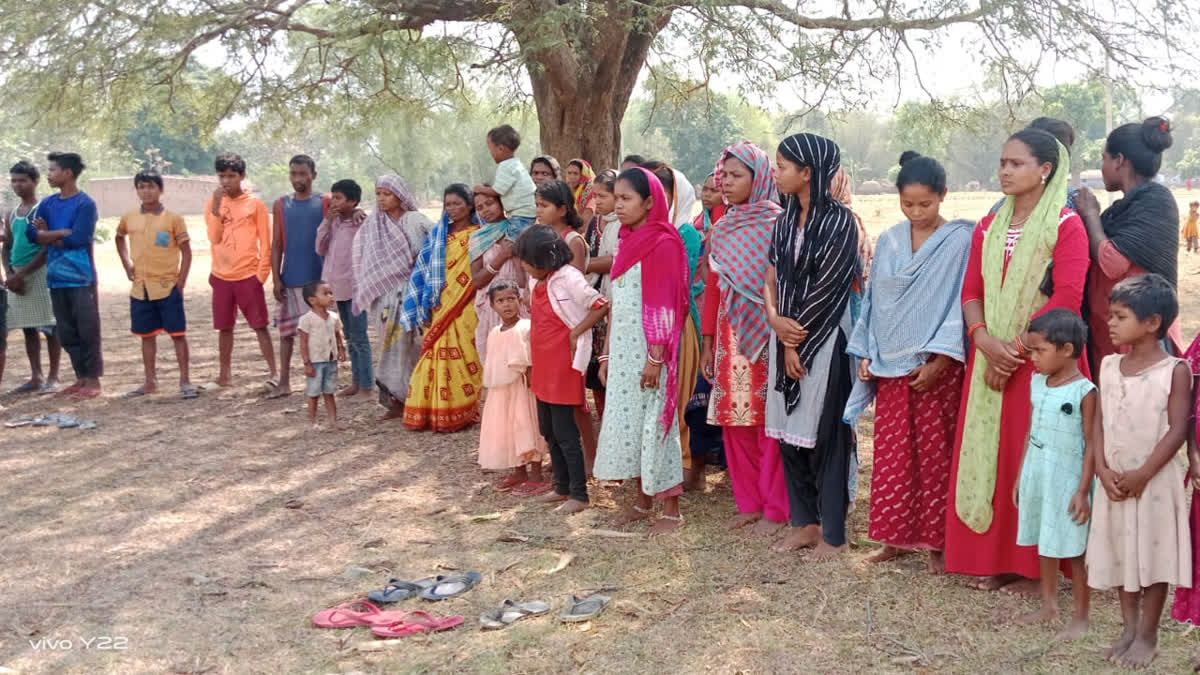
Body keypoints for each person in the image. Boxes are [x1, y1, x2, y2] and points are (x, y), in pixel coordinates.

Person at [945, 128, 1091, 592]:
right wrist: (984, 340)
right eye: (1003, 162)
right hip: (992, 359)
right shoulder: (989, 227)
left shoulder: (1065, 226)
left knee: (1038, 461)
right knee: (995, 460)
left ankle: (1034, 567)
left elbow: (1067, 296)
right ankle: (992, 559)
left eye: (1017, 163)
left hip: (1044, 364)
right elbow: (971, 292)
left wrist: (1019, 349)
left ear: (1045, 169)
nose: (1005, 170)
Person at [845, 152, 972, 573]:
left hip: (938, 366)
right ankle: (894, 540)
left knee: (937, 457)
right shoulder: (892, 240)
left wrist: (940, 358)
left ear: (943, 197)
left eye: (926, 204)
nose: (916, 212)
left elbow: (961, 300)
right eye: (908, 204)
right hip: (891, 365)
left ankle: (939, 544)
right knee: (894, 455)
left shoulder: (959, 241)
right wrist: (868, 351)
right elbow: (877, 303)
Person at [761, 134, 858, 560]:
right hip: (784, 335)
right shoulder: (783, 219)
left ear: (808, 173)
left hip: (824, 338)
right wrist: (774, 322)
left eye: (783, 166)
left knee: (826, 437)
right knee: (789, 437)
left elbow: (828, 289)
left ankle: (834, 534)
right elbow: (770, 275)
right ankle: (805, 523)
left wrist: (792, 338)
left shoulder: (840, 221)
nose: (776, 173)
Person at [1088, 274, 1191, 669]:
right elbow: (1098, 420)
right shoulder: (1110, 366)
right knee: (1121, 553)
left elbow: (1178, 428)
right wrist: (1100, 467)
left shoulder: (1174, 370)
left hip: (1153, 483)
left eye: (1120, 316)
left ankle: (1148, 635)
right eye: (1110, 314)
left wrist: (1144, 473)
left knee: (1153, 556)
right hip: (1114, 480)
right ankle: (1128, 628)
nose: (1110, 322)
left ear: (1151, 323)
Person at [595, 167, 690, 534]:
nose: (617, 206)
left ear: (649, 202)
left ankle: (671, 510)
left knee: (656, 423)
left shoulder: (663, 242)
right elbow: (618, 302)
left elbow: (665, 305)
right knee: (632, 423)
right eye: (615, 198)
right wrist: (606, 355)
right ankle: (641, 500)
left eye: (626, 199)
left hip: (653, 353)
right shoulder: (626, 239)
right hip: (623, 351)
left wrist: (655, 358)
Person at [702, 141, 789, 534]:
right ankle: (749, 502)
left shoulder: (779, 224)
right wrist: (707, 342)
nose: (727, 183)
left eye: (737, 175)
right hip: (730, 334)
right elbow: (714, 288)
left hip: (770, 334)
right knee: (736, 420)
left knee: (770, 421)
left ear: (759, 177)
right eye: (725, 176)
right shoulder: (721, 228)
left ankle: (776, 507)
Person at [515, 225, 608, 514]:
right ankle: (562, 487)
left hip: (564, 364)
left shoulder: (569, 277)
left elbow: (600, 305)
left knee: (565, 431)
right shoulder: (538, 281)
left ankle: (579, 494)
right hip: (542, 362)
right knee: (548, 429)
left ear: (544, 259)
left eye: (528, 262)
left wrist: (576, 332)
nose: (524, 268)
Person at [1075, 116, 1182, 369]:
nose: (1102, 167)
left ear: (1120, 160)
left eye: (1104, 159)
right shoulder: (1122, 209)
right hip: (1111, 330)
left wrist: (1090, 215)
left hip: (1140, 330)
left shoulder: (1156, 201)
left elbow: (1112, 263)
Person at [400, 184, 483, 432]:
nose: (452, 209)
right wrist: (423, 304)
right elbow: (424, 269)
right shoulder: (438, 235)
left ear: (469, 206)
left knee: (467, 352)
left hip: (466, 302)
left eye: (457, 204)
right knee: (434, 353)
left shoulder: (479, 233)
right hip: (440, 303)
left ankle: (464, 410)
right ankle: (430, 411)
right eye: (448, 204)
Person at [352, 175, 431, 420]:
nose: (382, 199)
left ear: (400, 194)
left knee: (415, 345)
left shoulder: (415, 220)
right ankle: (395, 400)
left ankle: (419, 399)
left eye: (387, 193)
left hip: (413, 291)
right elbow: (361, 259)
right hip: (384, 297)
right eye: (378, 194)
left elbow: (435, 247)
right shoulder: (372, 225)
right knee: (390, 345)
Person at [646, 164, 705, 486]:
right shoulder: (646, 232)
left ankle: (679, 468)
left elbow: (680, 285)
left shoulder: (686, 234)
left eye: (663, 193)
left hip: (678, 325)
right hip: (648, 327)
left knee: (679, 396)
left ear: (676, 195)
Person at [27, 152, 102, 398]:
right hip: (56, 278)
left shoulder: (85, 204)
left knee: (87, 329)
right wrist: (58, 233)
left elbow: (78, 238)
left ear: (67, 173)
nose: (48, 175)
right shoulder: (47, 204)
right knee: (67, 332)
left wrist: (47, 234)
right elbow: (31, 233)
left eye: (52, 170)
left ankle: (93, 381)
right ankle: (80, 377)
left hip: (80, 277)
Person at [114, 170, 194, 399]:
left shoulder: (173, 219)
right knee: (146, 335)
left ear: (160, 189)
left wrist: (181, 281)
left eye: (150, 186)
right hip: (141, 287)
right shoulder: (129, 217)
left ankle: (185, 381)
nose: (146, 191)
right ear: (136, 190)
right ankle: (150, 382)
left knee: (178, 334)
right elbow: (119, 238)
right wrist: (127, 264)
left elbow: (186, 252)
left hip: (168, 285)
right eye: (141, 187)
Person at [536, 179, 599, 467]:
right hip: (549, 326)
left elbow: (571, 288)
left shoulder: (573, 241)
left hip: (570, 324)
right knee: (554, 398)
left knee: (575, 400)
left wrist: (576, 330)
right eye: (537, 205)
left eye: (544, 205)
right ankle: (564, 454)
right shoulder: (544, 235)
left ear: (562, 209)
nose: (539, 210)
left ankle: (589, 456)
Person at [204, 152, 277, 389]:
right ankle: (224, 376)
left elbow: (266, 241)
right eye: (222, 176)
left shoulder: (254, 204)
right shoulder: (213, 203)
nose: (226, 181)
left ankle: (274, 373)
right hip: (221, 276)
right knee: (224, 327)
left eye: (231, 176)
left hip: (248, 276)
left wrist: (261, 276)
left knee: (259, 325)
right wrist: (216, 207)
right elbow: (214, 237)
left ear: (242, 176)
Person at [477, 280, 547, 492]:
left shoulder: (526, 327)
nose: (506, 305)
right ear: (492, 305)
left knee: (527, 426)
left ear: (520, 300)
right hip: (502, 392)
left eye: (511, 299)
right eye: (500, 301)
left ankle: (536, 473)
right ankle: (519, 471)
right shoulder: (495, 332)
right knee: (507, 428)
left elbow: (531, 360)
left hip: (523, 389)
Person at [268, 155, 327, 399]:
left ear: (313, 175)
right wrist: (276, 278)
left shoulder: (324, 202)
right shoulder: (281, 204)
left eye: (303, 174)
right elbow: (277, 244)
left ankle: (321, 382)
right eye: (293, 174)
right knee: (286, 334)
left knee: (319, 333)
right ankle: (284, 382)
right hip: (291, 277)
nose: (298, 179)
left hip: (317, 279)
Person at [1, 160, 60, 394]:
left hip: (40, 273)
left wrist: (23, 274)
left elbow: (48, 247)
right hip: (18, 277)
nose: (18, 185)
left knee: (51, 326)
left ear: (34, 181)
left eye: (23, 180)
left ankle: (54, 377)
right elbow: (7, 246)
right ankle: (36, 375)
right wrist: (10, 273)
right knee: (28, 327)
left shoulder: (44, 210)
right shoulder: (12, 213)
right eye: (14, 180)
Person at [316, 179, 372, 399]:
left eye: (339, 198)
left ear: (353, 201)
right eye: (333, 197)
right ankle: (356, 383)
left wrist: (359, 212)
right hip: (336, 288)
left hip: (355, 288)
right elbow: (319, 248)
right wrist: (327, 222)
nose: (334, 202)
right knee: (349, 336)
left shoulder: (361, 223)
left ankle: (367, 386)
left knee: (360, 337)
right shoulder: (334, 223)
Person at [469, 191, 529, 366]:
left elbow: (525, 278)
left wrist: (515, 255)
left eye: (489, 203)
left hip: (521, 302)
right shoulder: (477, 238)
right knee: (498, 365)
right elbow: (478, 280)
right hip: (492, 308)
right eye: (480, 207)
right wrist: (502, 256)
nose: (485, 210)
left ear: (502, 203)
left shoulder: (518, 230)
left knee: (523, 361)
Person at [583, 170, 620, 421]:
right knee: (595, 365)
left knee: (613, 361)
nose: (598, 201)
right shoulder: (594, 223)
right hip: (595, 298)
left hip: (615, 296)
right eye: (595, 196)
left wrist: (582, 265)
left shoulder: (624, 224)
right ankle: (604, 416)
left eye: (603, 195)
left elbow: (617, 262)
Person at [988, 117, 1079, 214]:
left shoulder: (1075, 206)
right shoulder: (1078, 204)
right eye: (1003, 164)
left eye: (1016, 164)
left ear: (1046, 168)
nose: (1004, 172)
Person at [298, 280, 347, 429]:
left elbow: (338, 334)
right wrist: (307, 363)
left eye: (331, 293)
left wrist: (341, 349)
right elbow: (303, 343)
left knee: (329, 391)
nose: (330, 296)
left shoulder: (333, 317)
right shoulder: (306, 320)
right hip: (315, 361)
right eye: (325, 293)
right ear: (312, 300)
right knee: (313, 393)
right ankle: (311, 421)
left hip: (330, 360)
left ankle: (333, 420)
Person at [565, 159, 596, 224]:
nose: (571, 177)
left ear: (583, 175)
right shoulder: (565, 191)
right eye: (569, 173)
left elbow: (584, 222)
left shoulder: (591, 194)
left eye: (575, 174)